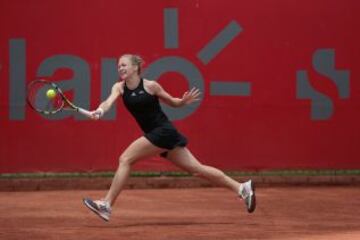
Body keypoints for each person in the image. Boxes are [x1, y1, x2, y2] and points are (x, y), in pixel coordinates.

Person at [83, 54, 256, 222]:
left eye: (124, 65)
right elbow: (107, 102)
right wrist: (99, 111)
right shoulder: (119, 87)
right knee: (197, 169)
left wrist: (182, 101)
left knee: (125, 159)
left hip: (163, 131)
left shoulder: (151, 86)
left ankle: (106, 204)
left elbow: (173, 102)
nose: (120, 68)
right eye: (119, 66)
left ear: (135, 67)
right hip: (159, 134)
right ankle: (242, 188)